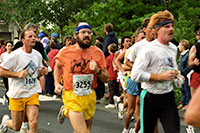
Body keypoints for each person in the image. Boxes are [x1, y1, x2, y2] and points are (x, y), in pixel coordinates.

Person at [131, 10, 182, 133]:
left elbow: (174, 69)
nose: (171, 29)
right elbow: (135, 75)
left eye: (171, 26)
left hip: (168, 96)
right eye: (166, 26)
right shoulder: (148, 49)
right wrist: (159, 77)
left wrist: (178, 77)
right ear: (157, 30)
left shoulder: (173, 48)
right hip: (150, 97)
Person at [54, 22, 109, 133]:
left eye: (89, 32)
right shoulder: (65, 52)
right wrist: (56, 83)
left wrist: (97, 71)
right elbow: (57, 66)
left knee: (86, 130)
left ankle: (65, 110)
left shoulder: (97, 53)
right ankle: (67, 108)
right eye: (83, 32)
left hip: (89, 96)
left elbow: (106, 78)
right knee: (82, 131)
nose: (87, 35)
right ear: (76, 35)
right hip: (71, 95)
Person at [0, 28, 48, 133]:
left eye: (34, 36)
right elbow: (1, 71)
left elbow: (37, 72)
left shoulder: (37, 55)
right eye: (30, 37)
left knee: (33, 122)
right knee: (16, 126)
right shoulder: (15, 55)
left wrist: (42, 72)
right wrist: (17, 74)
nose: (33, 38)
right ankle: (6, 122)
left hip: (32, 92)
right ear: (23, 40)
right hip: (17, 93)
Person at [105, 43, 120, 109]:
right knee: (116, 89)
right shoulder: (117, 56)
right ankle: (117, 101)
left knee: (111, 89)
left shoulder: (108, 58)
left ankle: (111, 102)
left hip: (111, 75)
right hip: (117, 75)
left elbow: (106, 66)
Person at [177, 39, 192, 110]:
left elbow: (189, 66)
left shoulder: (187, 55)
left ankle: (188, 103)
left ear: (183, 46)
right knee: (182, 89)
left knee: (187, 89)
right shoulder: (181, 55)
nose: (178, 47)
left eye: (179, 45)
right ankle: (183, 103)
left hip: (185, 75)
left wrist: (183, 73)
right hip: (180, 75)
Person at [188, 27, 200, 97]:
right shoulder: (195, 47)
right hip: (197, 75)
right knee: (195, 99)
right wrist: (194, 63)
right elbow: (189, 63)